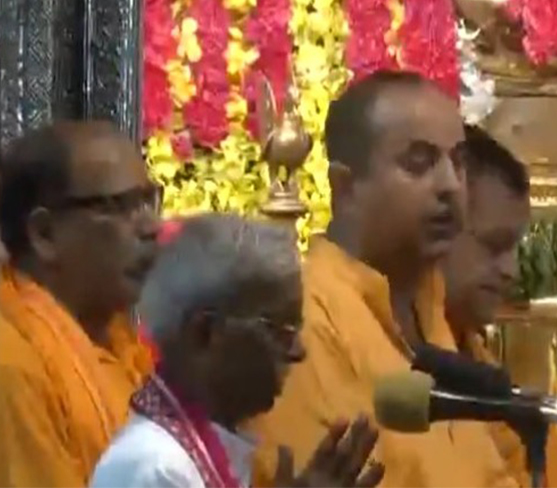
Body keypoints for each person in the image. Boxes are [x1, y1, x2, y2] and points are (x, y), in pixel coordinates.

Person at [250, 70, 522, 487]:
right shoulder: (303, 322)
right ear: (345, 187)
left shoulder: (434, 317)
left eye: (458, 163)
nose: (450, 186)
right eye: (419, 163)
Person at [90, 214, 385, 488]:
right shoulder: (152, 469)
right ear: (204, 333)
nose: (299, 351)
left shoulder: (209, 450)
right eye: (280, 332)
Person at [0, 120, 160, 486]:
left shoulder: (120, 341)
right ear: (45, 234)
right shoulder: (13, 364)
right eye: (120, 206)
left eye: (148, 200)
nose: (150, 226)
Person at [443, 126, 537, 486]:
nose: (511, 271)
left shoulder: (472, 354)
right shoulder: (373, 342)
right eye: (494, 245)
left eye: (515, 250)